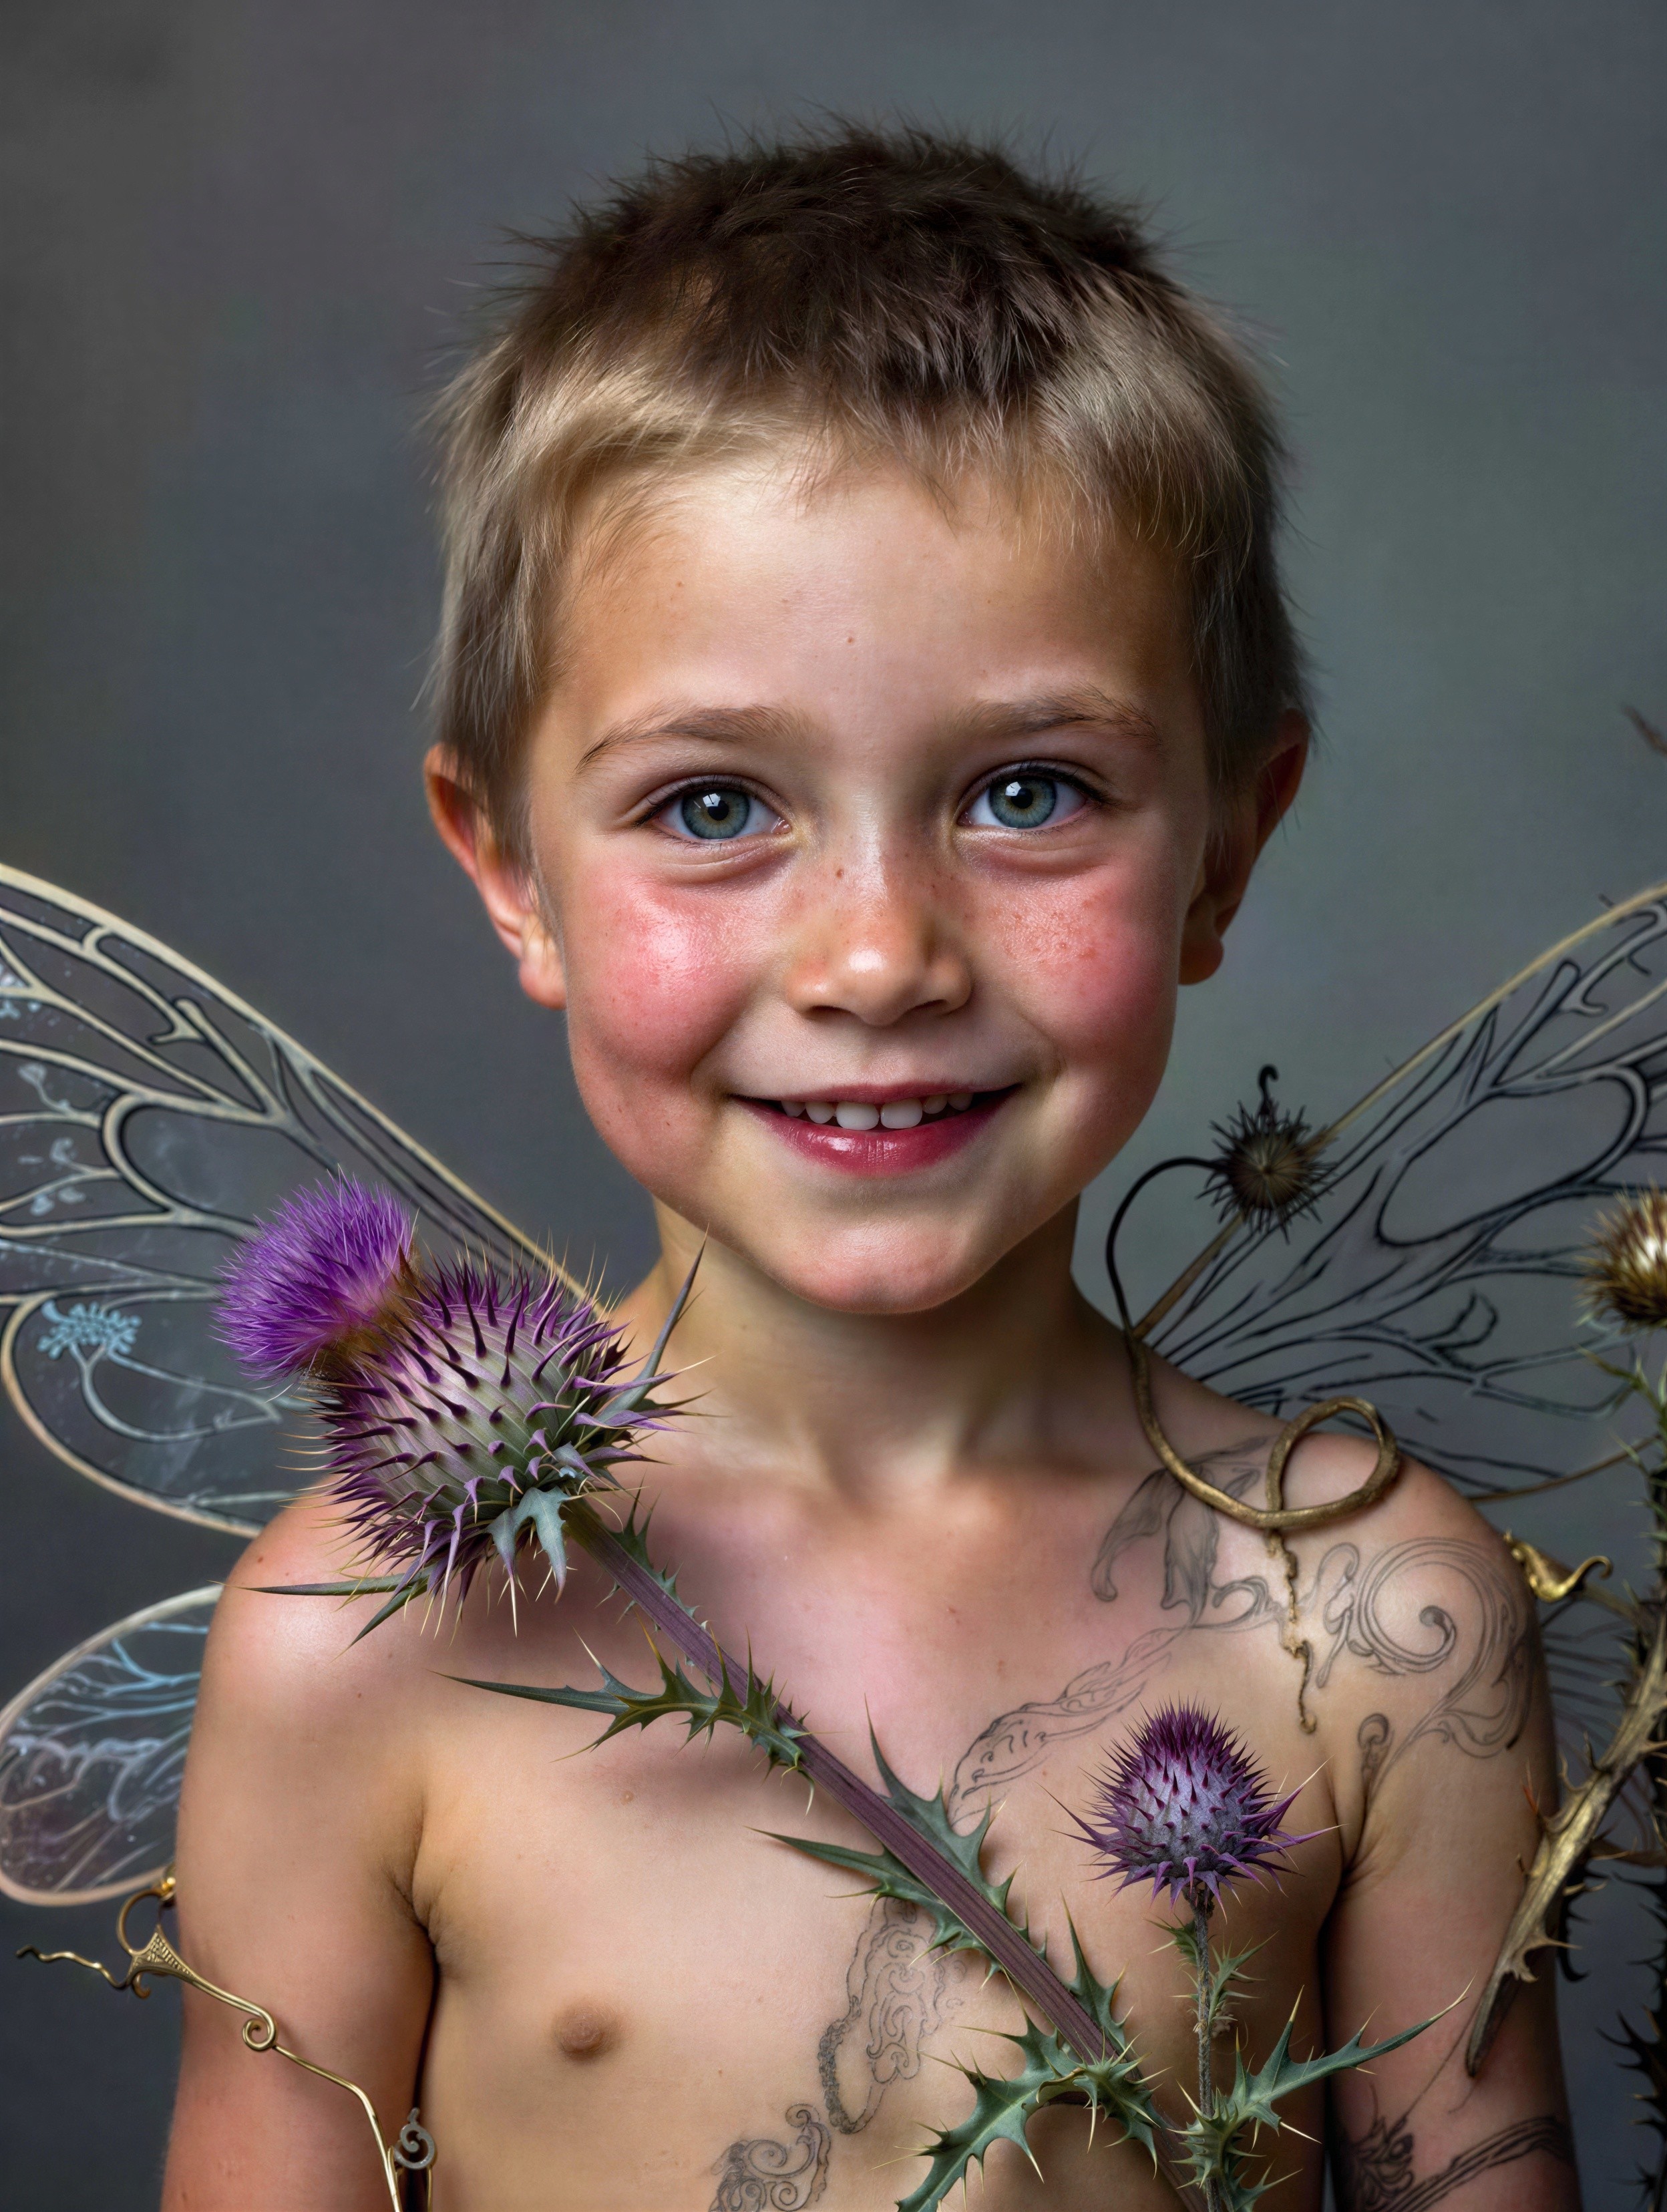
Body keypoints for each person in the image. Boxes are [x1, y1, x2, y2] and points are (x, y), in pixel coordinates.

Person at [162, 128, 1576, 2211]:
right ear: (507, 866)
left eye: (1028, 793)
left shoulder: (1375, 1624)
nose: (879, 957)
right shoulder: (351, 1642)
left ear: (1231, 846)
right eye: (718, 806)